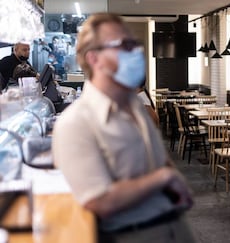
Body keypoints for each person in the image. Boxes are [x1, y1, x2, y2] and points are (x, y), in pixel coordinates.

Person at [52, 13, 195, 243]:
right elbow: (100, 201)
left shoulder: (134, 108)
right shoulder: (74, 124)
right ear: (94, 59)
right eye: (121, 45)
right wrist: (163, 178)